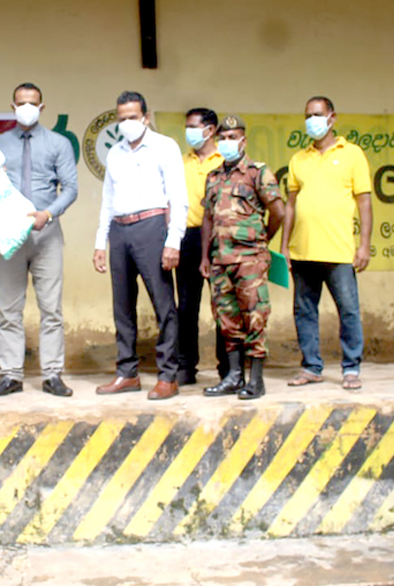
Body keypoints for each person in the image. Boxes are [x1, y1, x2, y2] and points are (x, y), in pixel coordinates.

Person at [93, 91, 188, 400]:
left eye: (133, 117)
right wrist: (100, 242)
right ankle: (127, 373)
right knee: (122, 306)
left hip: (152, 226)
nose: (127, 123)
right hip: (119, 231)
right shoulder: (115, 153)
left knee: (163, 304)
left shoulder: (165, 146)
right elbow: (107, 200)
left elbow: (178, 197)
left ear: (145, 117)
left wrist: (173, 240)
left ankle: (168, 376)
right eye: (122, 119)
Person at [0, 83, 78, 398]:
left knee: (51, 309)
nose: (27, 107)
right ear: (12, 106)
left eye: (33, 103)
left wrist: (47, 214)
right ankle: (10, 375)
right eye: (21, 102)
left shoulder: (59, 143)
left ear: (42, 107)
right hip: (9, 236)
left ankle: (52, 374)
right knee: (9, 309)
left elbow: (71, 188)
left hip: (46, 234)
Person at [280, 96, 373, 390]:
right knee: (304, 311)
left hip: (339, 251)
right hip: (302, 250)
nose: (312, 121)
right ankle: (311, 367)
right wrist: (284, 245)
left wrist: (364, 245)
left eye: (317, 115)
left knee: (348, 310)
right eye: (308, 115)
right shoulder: (298, 159)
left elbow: (365, 202)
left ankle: (351, 368)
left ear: (332, 117)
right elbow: (291, 205)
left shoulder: (352, 154)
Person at [200, 115, 285, 400]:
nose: (227, 143)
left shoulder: (258, 173)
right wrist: (205, 257)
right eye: (222, 138)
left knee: (255, 317)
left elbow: (279, 213)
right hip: (219, 261)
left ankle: (256, 381)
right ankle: (234, 377)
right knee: (227, 320)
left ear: (243, 140)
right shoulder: (213, 177)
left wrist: (261, 240)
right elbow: (208, 220)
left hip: (250, 259)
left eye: (232, 137)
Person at [176, 108, 227, 385]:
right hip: (186, 238)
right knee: (186, 307)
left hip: (219, 239)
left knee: (222, 305)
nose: (189, 132)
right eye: (187, 127)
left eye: (193, 127)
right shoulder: (181, 162)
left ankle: (226, 367)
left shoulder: (225, 160)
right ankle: (186, 367)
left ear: (210, 130)